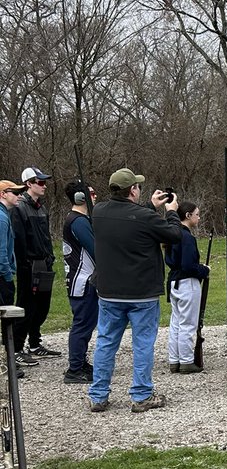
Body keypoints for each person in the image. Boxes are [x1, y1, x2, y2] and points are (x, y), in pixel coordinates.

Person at [87, 168, 182, 413]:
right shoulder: (143, 216)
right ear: (132, 190)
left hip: (109, 291)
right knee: (142, 345)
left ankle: (98, 395)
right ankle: (141, 395)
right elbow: (173, 235)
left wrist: (150, 206)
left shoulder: (98, 213)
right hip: (142, 293)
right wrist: (171, 212)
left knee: (106, 343)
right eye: (137, 186)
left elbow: (132, 223)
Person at [11, 166, 60, 365]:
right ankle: (16, 348)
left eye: (44, 182)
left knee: (42, 306)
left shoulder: (41, 207)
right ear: (28, 184)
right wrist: (24, 264)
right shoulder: (20, 207)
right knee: (26, 306)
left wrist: (49, 256)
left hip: (43, 262)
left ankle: (34, 343)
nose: (44, 186)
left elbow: (46, 236)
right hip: (29, 266)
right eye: (39, 182)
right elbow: (19, 240)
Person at [61, 179, 99, 384]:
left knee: (86, 323)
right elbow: (95, 249)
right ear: (80, 197)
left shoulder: (80, 219)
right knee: (82, 325)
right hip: (82, 281)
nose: (95, 197)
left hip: (83, 279)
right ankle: (75, 368)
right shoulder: (78, 221)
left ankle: (80, 362)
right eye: (91, 194)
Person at [166, 202, 209, 374]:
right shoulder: (187, 237)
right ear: (188, 215)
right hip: (186, 283)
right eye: (197, 214)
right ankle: (185, 361)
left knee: (176, 323)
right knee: (187, 324)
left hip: (175, 282)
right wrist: (204, 270)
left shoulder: (173, 234)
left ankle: (174, 360)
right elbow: (189, 265)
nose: (198, 217)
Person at [0, 180, 23, 309]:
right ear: (3, 194)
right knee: (7, 319)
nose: (19, 196)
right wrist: (8, 276)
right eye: (15, 192)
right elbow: (1, 251)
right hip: (2, 279)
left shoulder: (4, 215)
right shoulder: (1, 218)